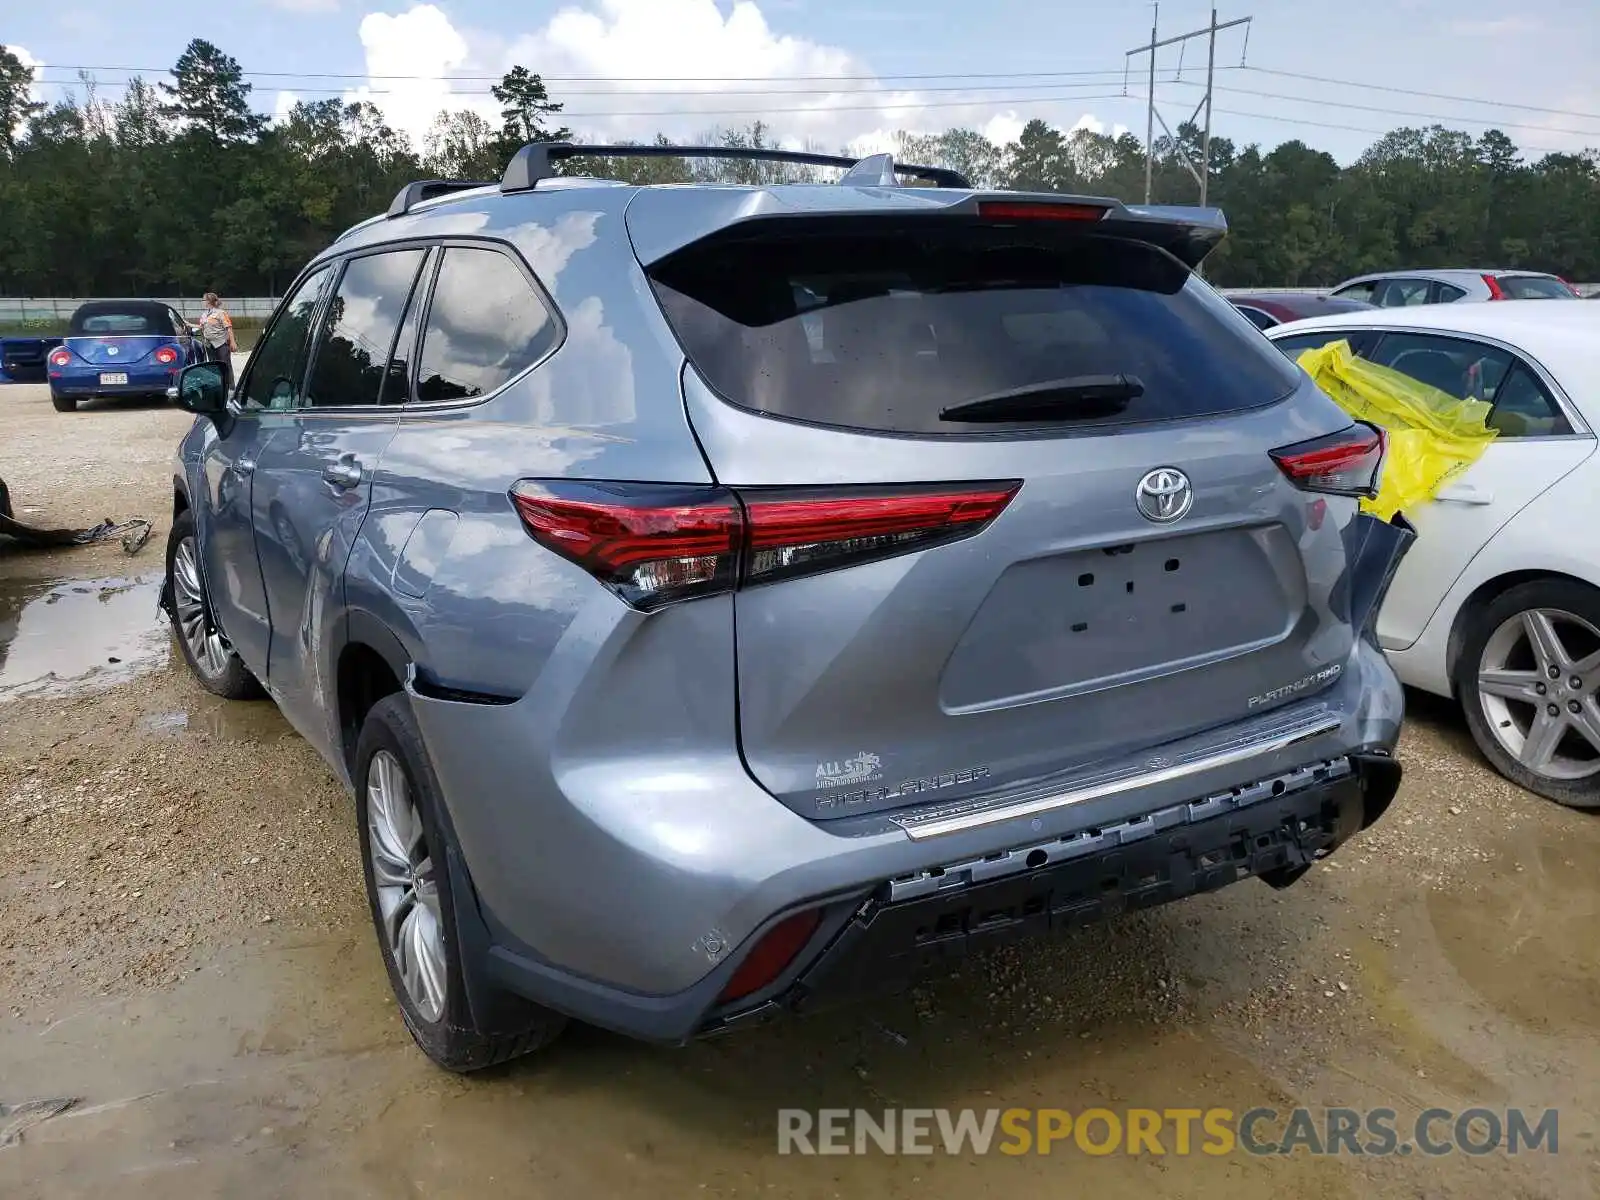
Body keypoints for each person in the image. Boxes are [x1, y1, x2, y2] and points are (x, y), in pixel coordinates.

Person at [195, 292, 238, 393]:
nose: (202, 302)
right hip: (209, 344)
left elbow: (229, 328)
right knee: (214, 366)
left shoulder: (221, 313)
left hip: (221, 343)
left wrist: (233, 342)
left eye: (204, 300)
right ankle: (218, 386)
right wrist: (187, 324)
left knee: (225, 365)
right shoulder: (204, 314)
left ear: (209, 301)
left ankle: (231, 388)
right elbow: (201, 327)